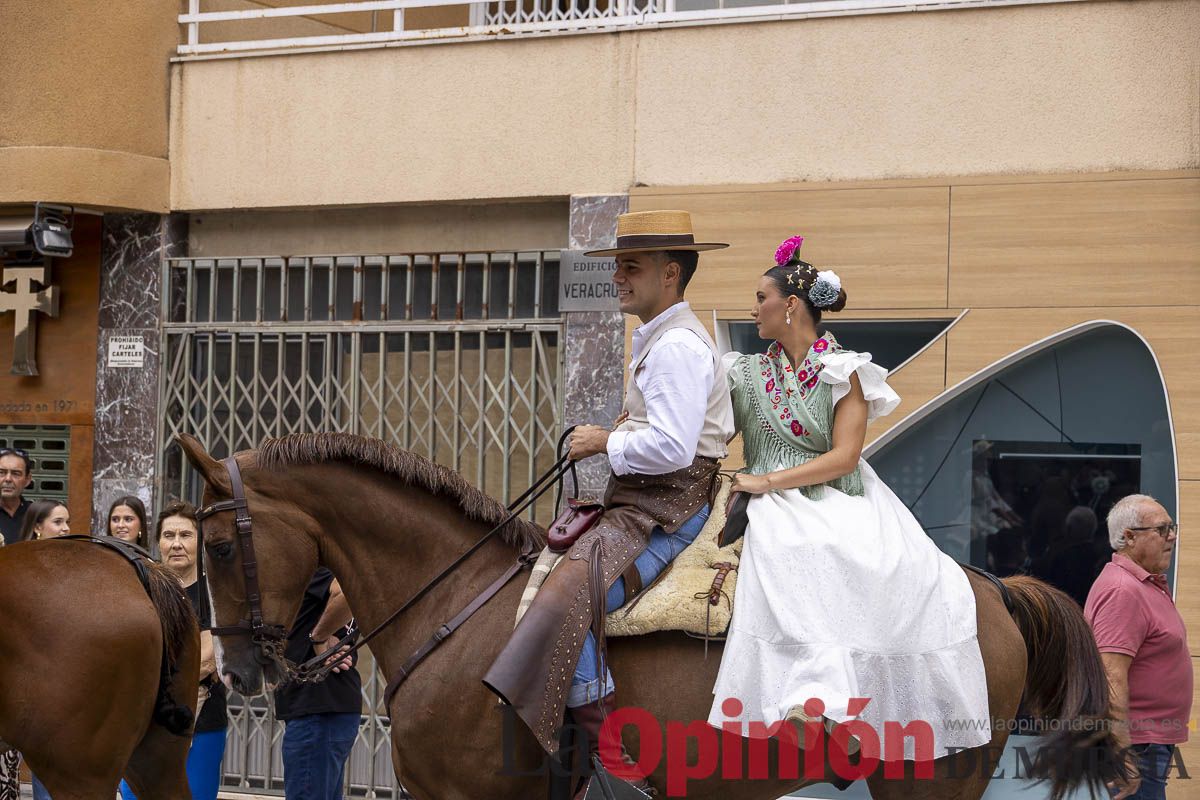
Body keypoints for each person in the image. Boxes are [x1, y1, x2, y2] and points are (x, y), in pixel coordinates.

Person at [707, 236, 991, 762]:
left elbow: (844, 457)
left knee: (834, 555)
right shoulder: (741, 372)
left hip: (832, 495)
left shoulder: (845, 370)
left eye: (760, 297)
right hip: (759, 490)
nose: (753, 308)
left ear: (790, 305)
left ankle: (825, 706)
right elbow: (710, 433)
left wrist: (766, 482)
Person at [484, 209, 734, 797]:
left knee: (569, 596)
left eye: (631, 267)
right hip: (643, 502)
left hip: (664, 511)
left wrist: (604, 441)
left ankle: (611, 759)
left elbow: (673, 447)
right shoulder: (660, 338)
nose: (619, 277)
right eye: (618, 265)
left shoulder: (675, 345)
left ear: (670, 273)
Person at [1084, 494, 1190, 800]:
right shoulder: (1122, 591)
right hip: (1136, 745)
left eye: (1172, 527)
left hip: (1148, 741)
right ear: (1128, 537)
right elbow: (1110, 675)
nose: (1171, 536)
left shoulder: (1144, 584)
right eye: (1161, 529)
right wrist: (1121, 749)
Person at [119, 500, 227, 800]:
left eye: (186, 535)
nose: (176, 544)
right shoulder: (138, 589)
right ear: (157, 542)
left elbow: (210, 656)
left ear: (200, 541)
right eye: (168, 536)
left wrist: (155, 666)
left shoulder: (215, 594)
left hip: (203, 724)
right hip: (142, 725)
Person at [272, 568, 362, 800]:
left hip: (317, 709)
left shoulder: (319, 567)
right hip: (329, 706)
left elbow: (347, 590)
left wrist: (319, 637)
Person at [0, 448, 33, 545]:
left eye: (16, 473)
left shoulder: (36, 515)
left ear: (27, 479)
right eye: (1, 472)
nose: (8, 479)